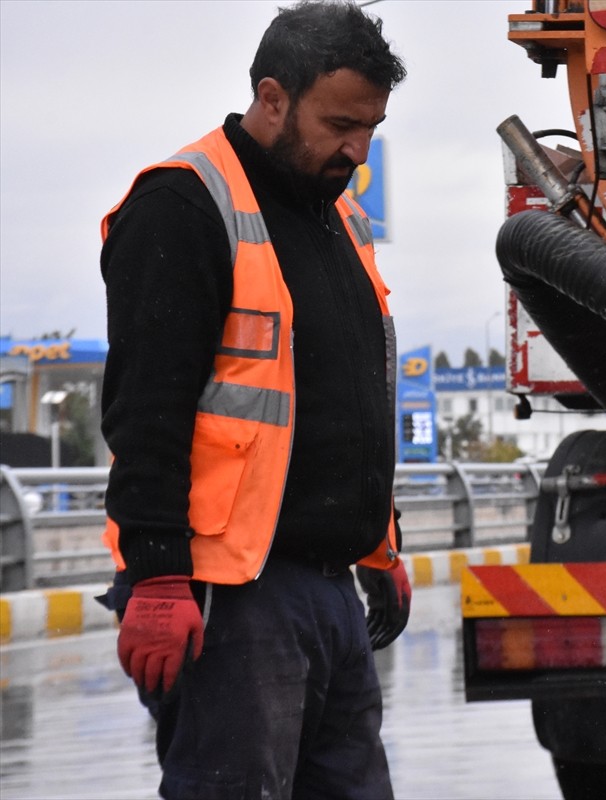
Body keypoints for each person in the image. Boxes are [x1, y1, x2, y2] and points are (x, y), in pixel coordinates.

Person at [98, 2, 411, 797]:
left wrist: (380, 545)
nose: (358, 148)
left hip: (326, 587)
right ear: (273, 98)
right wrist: (161, 576)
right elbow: (146, 411)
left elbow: (346, 403)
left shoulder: (337, 216)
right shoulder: (184, 205)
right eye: (341, 123)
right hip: (231, 597)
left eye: (371, 126)